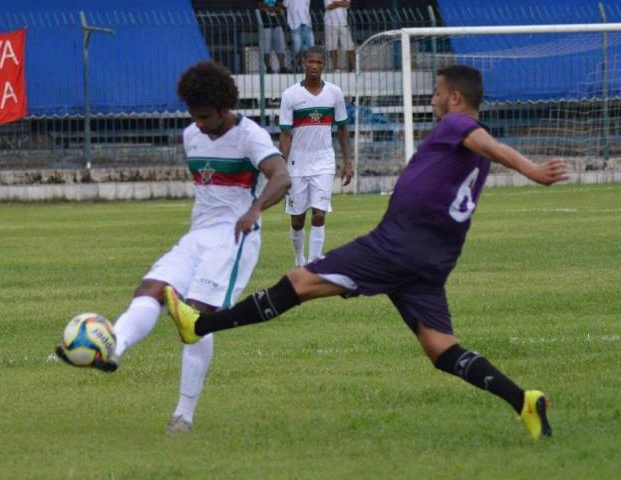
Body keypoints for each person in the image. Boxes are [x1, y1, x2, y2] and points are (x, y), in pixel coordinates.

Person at [164, 65, 568, 439]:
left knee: (299, 282)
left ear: (457, 98)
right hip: (432, 258)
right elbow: (483, 148)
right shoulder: (468, 149)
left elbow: (483, 140)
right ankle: (524, 401)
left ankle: (198, 326)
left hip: (398, 245)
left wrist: (531, 171)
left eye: (437, 93)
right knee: (440, 348)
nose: (432, 100)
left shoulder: (459, 125)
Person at [55, 61, 291, 433]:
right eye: (192, 115)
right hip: (197, 236)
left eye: (204, 116)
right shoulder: (190, 135)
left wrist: (255, 209)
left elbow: (282, 176)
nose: (197, 123)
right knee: (150, 289)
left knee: (195, 318)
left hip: (234, 239)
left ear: (224, 107)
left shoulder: (251, 136)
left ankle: (183, 415)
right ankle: (110, 351)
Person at [278, 46, 353, 266]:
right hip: (297, 161)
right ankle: (299, 259)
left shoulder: (334, 93)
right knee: (298, 219)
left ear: (324, 65)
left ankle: (313, 265)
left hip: (324, 160)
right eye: (310, 62)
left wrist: (347, 162)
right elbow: (285, 134)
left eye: (318, 62)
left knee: (319, 215)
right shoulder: (291, 95)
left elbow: (342, 129)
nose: (314, 66)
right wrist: (282, 167)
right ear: (303, 63)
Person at [257, 0, 289, 73]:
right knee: (266, 48)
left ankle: (282, 67)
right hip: (265, 24)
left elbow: (281, 8)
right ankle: (268, 67)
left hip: (277, 23)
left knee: (281, 47)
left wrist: (270, 8)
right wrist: (274, 8)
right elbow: (260, 7)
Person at [324, 0, 356, 72]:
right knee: (332, 47)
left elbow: (347, 4)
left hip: (343, 23)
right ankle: (336, 68)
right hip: (330, 23)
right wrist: (341, 3)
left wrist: (335, 3)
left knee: (350, 46)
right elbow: (329, 6)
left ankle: (354, 67)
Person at [283, 0, 314, 72]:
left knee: (309, 47)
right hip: (295, 24)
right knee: (297, 47)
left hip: (307, 23)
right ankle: (295, 65)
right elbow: (285, 4)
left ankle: (301, 65)